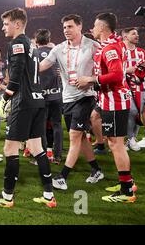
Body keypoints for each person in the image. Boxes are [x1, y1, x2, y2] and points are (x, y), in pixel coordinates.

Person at [0, 8, 56, 208]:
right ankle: (49, 195)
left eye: (6, 23)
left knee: (9, 148)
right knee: (36, 147)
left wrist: (5, 98)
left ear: (17, 24)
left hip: (23, 102)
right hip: (38, 99)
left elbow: (15, 76)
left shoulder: (16, 43)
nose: (3, 27)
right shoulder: (31, 45)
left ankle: (6, 197)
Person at [77, 12, 136, 203]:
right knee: (112, 139)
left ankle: (127, 191)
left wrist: (91, 80)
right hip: (109, 99)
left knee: (116, 144)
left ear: (102, 28)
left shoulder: (110, 47)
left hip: (114, 101)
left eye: (94, 26)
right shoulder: (111, 44)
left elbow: (117, 75)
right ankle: (128, 182)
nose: (92, 29)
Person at [40, 15, 103, 191]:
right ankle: (96, 170)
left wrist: (90, 80)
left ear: (80, 26)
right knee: (81, 137)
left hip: (85, 97)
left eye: (70, 26)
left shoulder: (93, 46)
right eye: (64, 27)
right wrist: (25, 70)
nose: (66, 30)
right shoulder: (59, 49)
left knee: (74, 136)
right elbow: (43, 65)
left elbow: (104, 69)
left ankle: (62, 176)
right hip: (66, 98)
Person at [35, 29, 63, 164]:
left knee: (41, 127)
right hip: (57, 95)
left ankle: (44, 156)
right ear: (48, 39)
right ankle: (57, 156)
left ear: (36, 41)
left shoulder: (34, 54)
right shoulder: (56, 53)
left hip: (42, 97)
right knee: (57, 126)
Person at [122, 28, 145, 151]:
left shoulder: (142, 52)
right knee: (131, 111)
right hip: (124, 87)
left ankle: (132, 139)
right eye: (134, 34)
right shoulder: (120, 51)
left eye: (137, 33)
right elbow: (115, 70)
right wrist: (128, 70)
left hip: (140, 86)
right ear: (126, 37)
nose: (137, 35)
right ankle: (130, 138)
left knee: (138, 113)